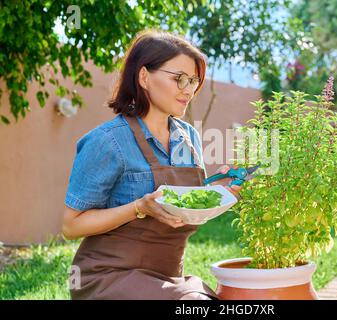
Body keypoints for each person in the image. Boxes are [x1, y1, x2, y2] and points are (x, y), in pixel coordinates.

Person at [62, 29, 242, 300]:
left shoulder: (189, 138)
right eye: (179, 79)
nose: (189, 90)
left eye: (193, 81)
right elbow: (71, 226)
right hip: (107, 276)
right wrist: (138, 208)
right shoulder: (108, 141)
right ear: (144, 77)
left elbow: (188, 205)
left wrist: (220, 193)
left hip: (168, 277)